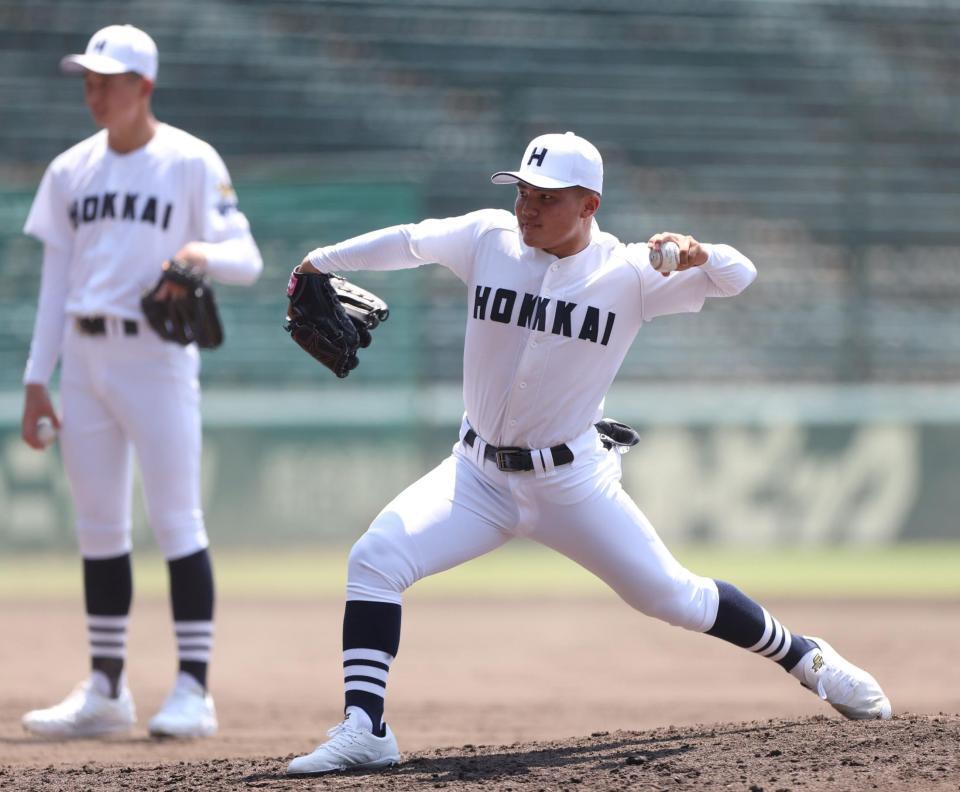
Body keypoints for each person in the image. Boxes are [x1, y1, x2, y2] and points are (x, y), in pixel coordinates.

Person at [285, 132, 890, 775]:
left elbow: (739, 276)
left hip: (572, 485)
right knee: (376, 558)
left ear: (589, 204)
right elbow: (408, 240)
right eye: (522, 190)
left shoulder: (630, 272)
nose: (527, 207)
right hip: (476, 475)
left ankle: (806, 657)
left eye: (545, 197)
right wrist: (315, 263)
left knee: (673, 597)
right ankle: (366, 727)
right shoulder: (488, 237)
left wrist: (695, 251)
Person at [20, 24, 263, 739]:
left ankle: (194, 688)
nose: (94, 92)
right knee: (98, 527)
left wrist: (200, 252)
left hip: (155, 358)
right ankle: (107, 687)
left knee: (176, 520)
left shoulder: (189, 161)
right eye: (88, 80)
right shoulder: (70, 169)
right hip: (85, 359)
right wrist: (38, 377)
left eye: (108, 80)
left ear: (144, 87)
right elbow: (55, 281)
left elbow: (246, 257)